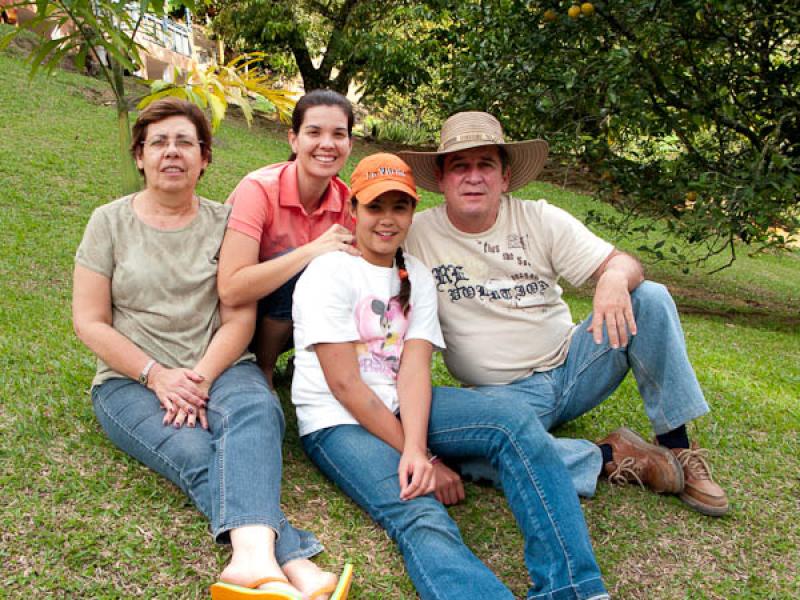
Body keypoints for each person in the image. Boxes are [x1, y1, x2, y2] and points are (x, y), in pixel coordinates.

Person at [291, 153, 610, 600]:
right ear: (353, 210)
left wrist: (420, 450)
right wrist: (419, 459)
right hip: (338, 421)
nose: (387, 219)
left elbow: (415, 369)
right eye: (374, 207)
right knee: (420, 512)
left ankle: (575, 588)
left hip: (404, 406)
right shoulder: (328, 272)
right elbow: (345, 385)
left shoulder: (416, 274)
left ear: (412, 211)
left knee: (512, 423)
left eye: (399, 207)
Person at [72, 98, 351, 600]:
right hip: (129, 382)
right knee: (198, 452)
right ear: (140, 156)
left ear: (204, 159)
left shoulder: (225, 222)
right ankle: (290, 561)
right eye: (158, 143)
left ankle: (249, 565)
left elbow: (239, 313)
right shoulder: (107, 223)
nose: (172, 153)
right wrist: (156, 374)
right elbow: (89, 321)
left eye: (186, 143)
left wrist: (199, 376)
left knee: (259, 414)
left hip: (219, 365)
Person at [399, 111, 728, 517]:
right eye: (460, 166)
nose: (473, 177)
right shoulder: (414, 235)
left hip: (575, 366)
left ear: (504, 177)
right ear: (442, 178)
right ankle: (609, 455)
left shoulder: (539, 217)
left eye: (486, 165)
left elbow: (624, 264)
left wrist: (612, 278)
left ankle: (678, 448)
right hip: (503, 399)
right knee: (442, 442)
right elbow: (364, 248)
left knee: (650, 298)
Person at [218, 89, 359, 388]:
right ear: (293, 139)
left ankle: (311, 362)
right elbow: (229, 289)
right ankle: (263, 371)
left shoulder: (347, 201)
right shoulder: (258, 189)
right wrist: (311, 251)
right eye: (314, 132)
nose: (327, 144)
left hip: (291, 325)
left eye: (338, 134)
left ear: (350, 144)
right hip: (230, 321)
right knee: (306, 265)